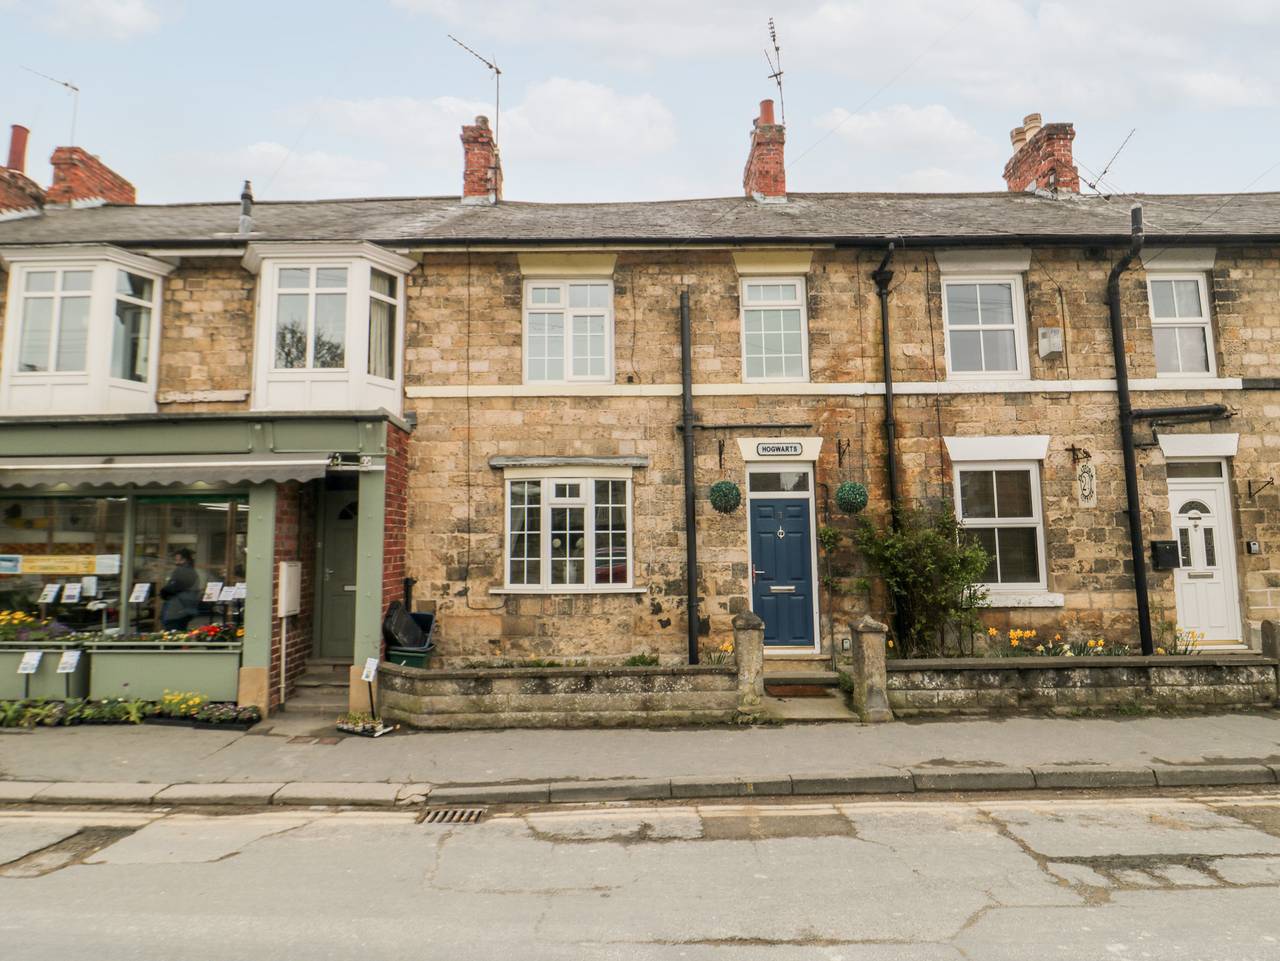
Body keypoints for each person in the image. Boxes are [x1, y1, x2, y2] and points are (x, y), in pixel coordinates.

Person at [159, 547, 200, 631]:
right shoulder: (192, 571)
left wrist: (163, 592)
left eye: (180, 560)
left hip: (177, 610)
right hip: (184, 610)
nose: (177, 563)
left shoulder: (182, 571)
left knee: (172, 636)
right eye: (176, 560)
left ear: (186, 560)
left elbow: (172, 588)